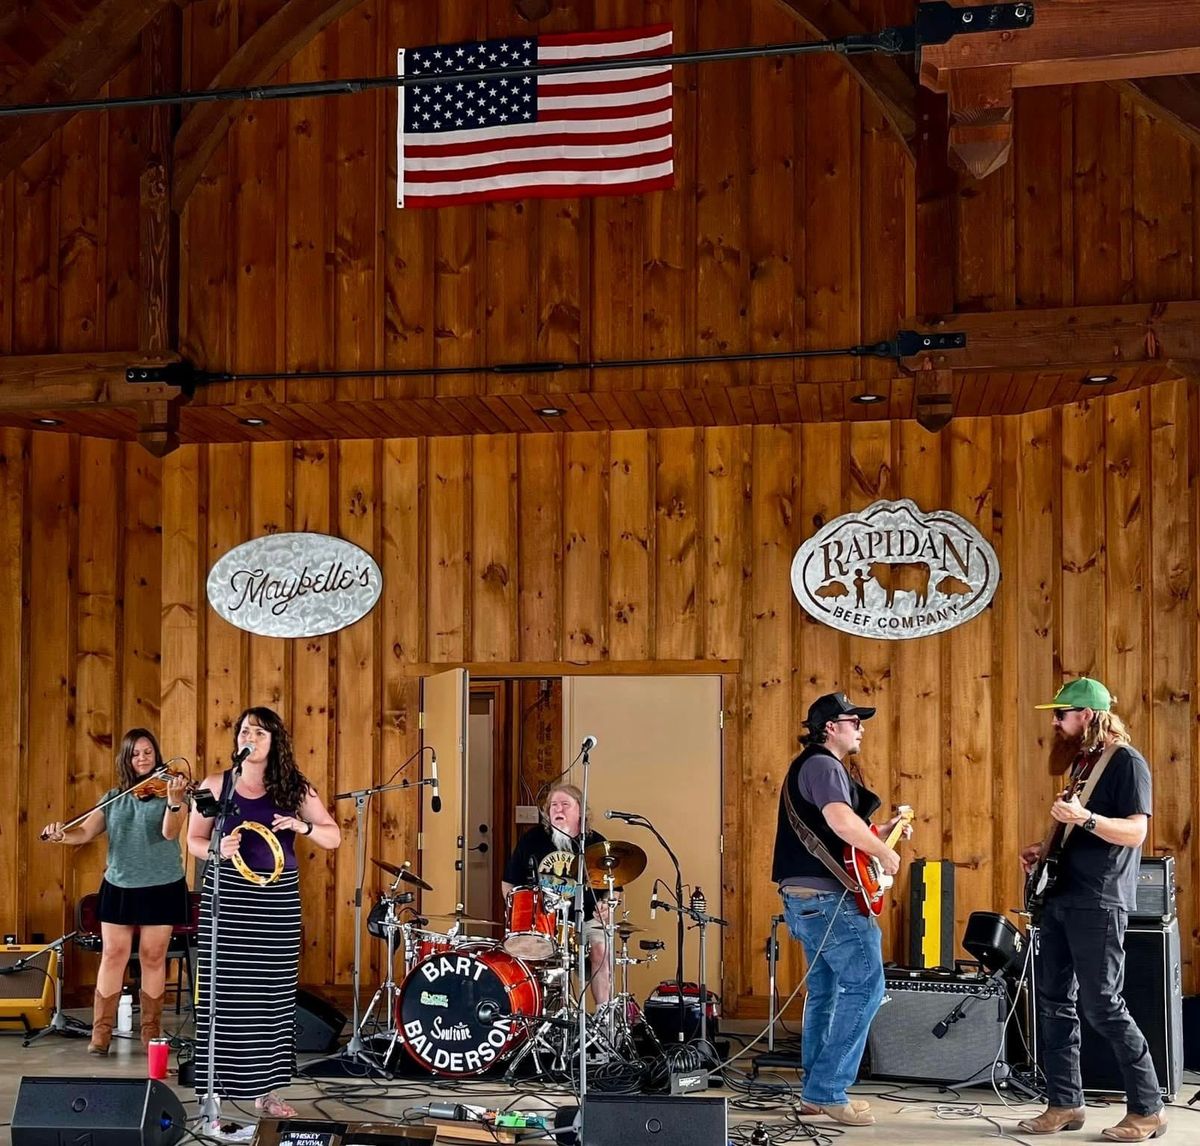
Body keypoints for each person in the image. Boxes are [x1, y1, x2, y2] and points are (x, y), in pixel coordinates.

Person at [1019, 678, 1165, 1142]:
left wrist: (1085, 818)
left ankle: (1148, 1109)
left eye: (1061, 715)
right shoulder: (1085, 764)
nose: (1055, 723)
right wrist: (1043, 849)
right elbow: (1082, 832)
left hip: (1097, 900)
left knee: (1103, 1004)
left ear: (1086, 715)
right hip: (1062, 896)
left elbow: (1135, 833)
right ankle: (1065, 1103)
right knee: (1054, 1003)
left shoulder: (1126, 762)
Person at [186, 707, 341, 1125]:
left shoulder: (295, 788)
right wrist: (219, 849)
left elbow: (333, 835)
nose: (247, 736)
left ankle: (268, 1092)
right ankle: (214, 1094)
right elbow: (194, 840)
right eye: (242, 730)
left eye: (257, 731)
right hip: (229, 897)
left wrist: (303, 827)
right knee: (225, 993)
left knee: (272, 996)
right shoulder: (216, 785)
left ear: (275, 741)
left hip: (276, 900)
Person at [771, 692, 910, 1127]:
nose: (861, 728)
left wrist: (879, 832)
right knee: (867, 988)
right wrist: (883, 854)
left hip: (805, 900)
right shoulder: (824, 765)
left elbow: (833, 830)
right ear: (830, 726)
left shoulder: (809, 767)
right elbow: (839, 821)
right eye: (854, 721)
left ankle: (816, 1093)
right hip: (830, 902)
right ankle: (829, 1090)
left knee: (827, 993)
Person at [42, 728, 190, 1055]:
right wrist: (60, 836)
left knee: (153, 958)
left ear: (157, 755)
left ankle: (151, 1032)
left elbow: (169, 833)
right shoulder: (113, 798)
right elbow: (84, 832)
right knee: (113, 956)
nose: (142, 758)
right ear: (126, 758)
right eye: (136, 753)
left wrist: (175, 803)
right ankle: (101, 1034)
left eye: (148, 752)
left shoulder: (173, 792)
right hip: (120, 885)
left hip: (161, 884)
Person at [502, 782, 613, 1004]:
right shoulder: (532, 840)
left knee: (601, 951)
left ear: (581, 811)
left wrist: (607, 906)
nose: (558, 810)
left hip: (587, 918)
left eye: (565, 805)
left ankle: (603, 1018)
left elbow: (615, 888)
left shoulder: (595, 843)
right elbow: (508, 883)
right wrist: (516, 912)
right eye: (553, 805)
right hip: (543, 919)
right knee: (533, 958)